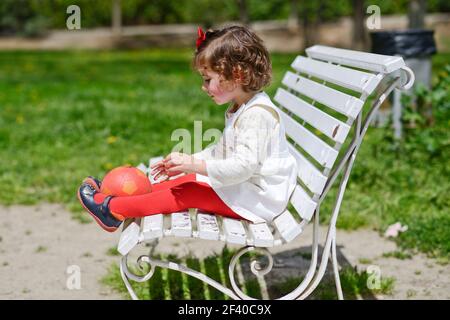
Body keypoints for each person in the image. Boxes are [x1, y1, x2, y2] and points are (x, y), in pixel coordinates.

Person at [77, 25, 298, 232]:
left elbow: (243, 167)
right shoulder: (244, 107)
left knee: (190, 192)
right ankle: (119, 196)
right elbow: (221, 153)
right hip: (247, 190)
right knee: (188, 181)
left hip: (258, 200)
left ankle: (114, 210)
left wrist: (196, 165)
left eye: (208, 79)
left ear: (237, 75)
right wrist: (188, 163)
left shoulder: (258, 115)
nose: (204, 87)